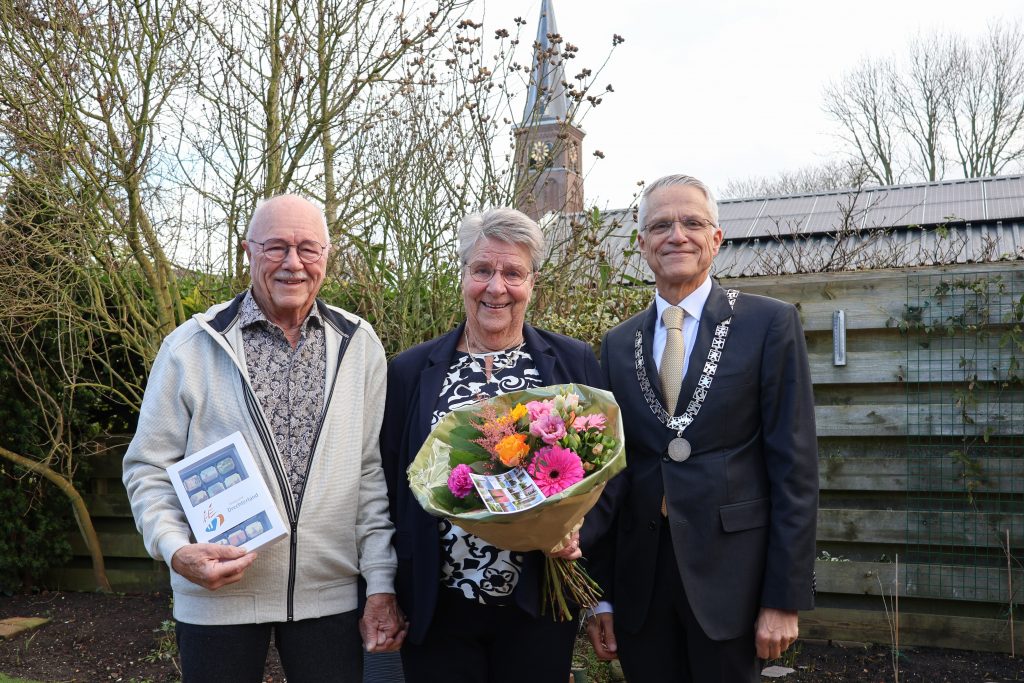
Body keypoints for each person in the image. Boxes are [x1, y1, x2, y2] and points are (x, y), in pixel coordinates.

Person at [122, 194, 405, 682]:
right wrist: (174, 548)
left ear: (326, 256)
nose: (292, 264)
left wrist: (380, 582)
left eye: (308, 249)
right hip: (217, 598)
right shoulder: (190, 347)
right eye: (275, 247)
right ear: (247, 252)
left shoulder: (360, 345)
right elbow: (148, 467)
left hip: (330, 598)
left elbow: (370, 473)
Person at [586, 174, 819, 682]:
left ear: (716, 238)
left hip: (734, 582)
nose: (677, 235)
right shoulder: (617, 344)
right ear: (642, 243)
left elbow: (795, 468)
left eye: (693, 222)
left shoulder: (769, 325)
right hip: (642, 586)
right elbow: (609, 475)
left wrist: (784, 598)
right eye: (661, 224)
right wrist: (599, 596)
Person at [381, 207, 604, 683]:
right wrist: (382, 587)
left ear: (533, 282)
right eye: (482, 269)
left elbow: (608, 469)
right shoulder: (409, 370)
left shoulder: (571, 361)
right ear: (463, 276)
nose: (496, 287)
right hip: (437, 603)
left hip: (539, 600)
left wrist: (579, 529)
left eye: (513, 273)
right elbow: (386, 481)